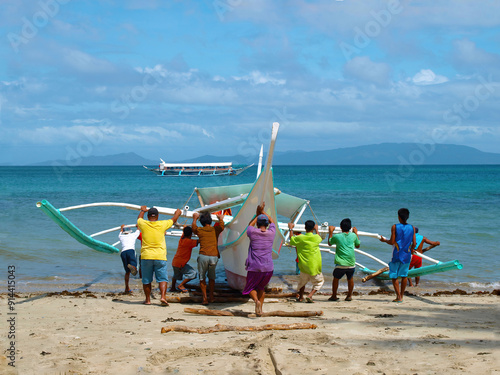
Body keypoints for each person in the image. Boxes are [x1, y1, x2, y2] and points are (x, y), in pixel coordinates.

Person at [137, 206, 181, 306]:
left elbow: (139, 219)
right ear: (157, 216)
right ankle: (163, 297)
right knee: (162, 278)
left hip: (146, 256)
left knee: (146, 280)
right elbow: (173, 220)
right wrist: (177, 213)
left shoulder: (143, 224)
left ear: (148, 217)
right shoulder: (162, 224)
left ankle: (148, 300)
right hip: (160, 256)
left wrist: (142, 210)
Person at [243, 203, 276, 315]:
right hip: (268, 267)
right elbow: (272, 220)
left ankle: (256, 301)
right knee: (261, 288)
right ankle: (260, 310)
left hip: (254, 266)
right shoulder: (271, 233)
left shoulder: (252, 232)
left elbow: (249, 225)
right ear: (267, 224)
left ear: (257, 223)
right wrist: (262, 212)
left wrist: (257, 214)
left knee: (250, 288)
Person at [379, 208, 416, 303]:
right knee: (404, 275)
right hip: (407, 255)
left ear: (399, 217)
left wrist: (384, 240)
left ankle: (398, 296)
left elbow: (392, 241)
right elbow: (414, 243)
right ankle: (402, 296)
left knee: (394, 275)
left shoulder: (395, 227)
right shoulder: (412, 228)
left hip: (396, 254)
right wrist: (411, 250)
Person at [192, 211, 225, 305]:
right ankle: (211, 296)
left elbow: (193, 228)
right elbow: (222, 227)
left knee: (202, 278)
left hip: (203, 256)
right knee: (212, 278)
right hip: (214, 256)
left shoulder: (200, 230)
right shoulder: (215, 229)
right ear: (210, 221)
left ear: (201, 222)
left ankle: (205, 298)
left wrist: (194, 218)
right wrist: (221, 219)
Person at [288, 220, 324, 303]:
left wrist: (291, 229)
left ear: (305, 228)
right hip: (314, 265)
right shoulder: (316, 237)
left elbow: (292, 239)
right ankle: (310, 295)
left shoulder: (300, 238)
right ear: (313, 228)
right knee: (319, 282)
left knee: (302, 282)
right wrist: (317, 230)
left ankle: (301, 297)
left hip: (303, 265)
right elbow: (319, 237)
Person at [328, 218, 360, 301]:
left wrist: (331, 231)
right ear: (350, 228)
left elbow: (330, 243)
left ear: (341, 227)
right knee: (350, 279)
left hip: (340, 264)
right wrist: (356, 233)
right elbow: (358, 245)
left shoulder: (337, 236)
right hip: (351, 263)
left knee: (336, 279)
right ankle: (349, 296)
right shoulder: (353, 235)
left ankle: (334, 295)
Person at [170, 226, 199, 293]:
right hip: (181, 264)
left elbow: (185, 231)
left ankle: (172, 287)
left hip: (175, 262)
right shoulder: (189, 242)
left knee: (176, 275)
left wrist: (185, 227)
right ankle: (181, 285)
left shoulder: (182, 238)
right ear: (190, 234)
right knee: (193, 274)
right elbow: (200, 241)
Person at [118, 224, 141, 294]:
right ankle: (133, 267)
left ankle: (127, 288)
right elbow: (138, 229)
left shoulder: (121, 236)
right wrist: (137, 226)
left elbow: (121, 230)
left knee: (127, 272)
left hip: (123, 253)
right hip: (130, 251)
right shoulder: (133, 235)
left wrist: (122, 227)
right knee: (134, 267)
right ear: (130, 231)